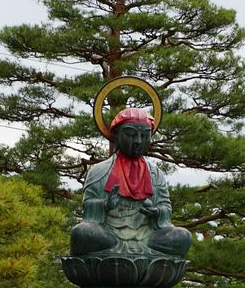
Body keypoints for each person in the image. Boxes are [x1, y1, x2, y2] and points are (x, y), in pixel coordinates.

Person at [71, 108, 191, 257]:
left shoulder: (156, 174)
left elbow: (165, 207)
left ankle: (132, 254)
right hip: (110, 235)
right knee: (82, 233)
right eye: (130, 134)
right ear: (116, 135)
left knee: (183, 236)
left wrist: (158, 212)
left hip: (147, 237)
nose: (138, 141)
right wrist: (105, 205)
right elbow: (88, 208)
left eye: (144, 135)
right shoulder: (100, 171)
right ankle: (127, 255)